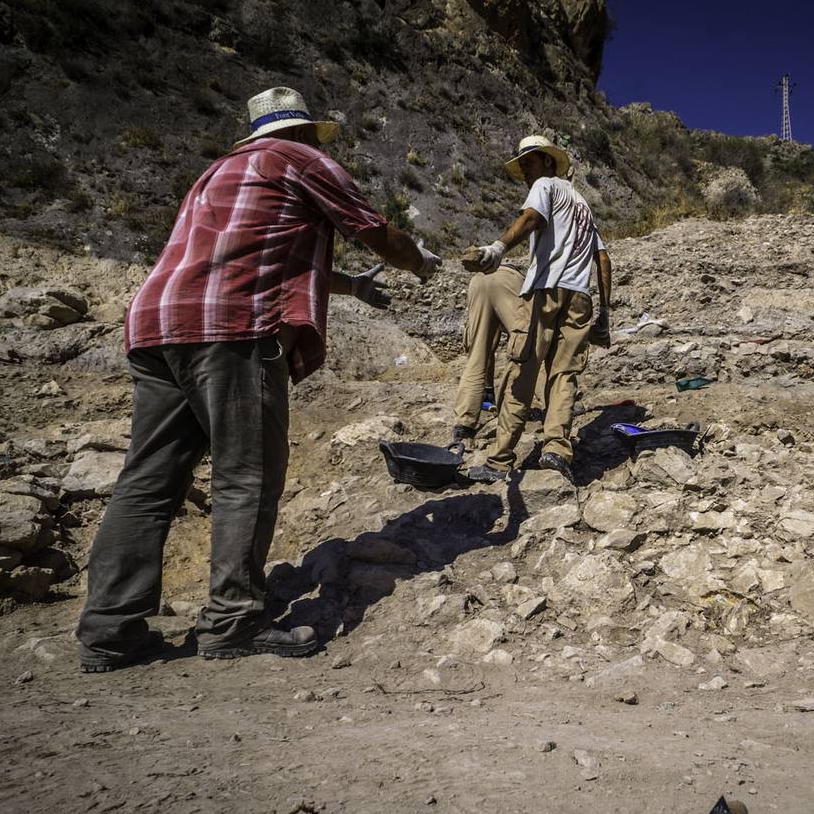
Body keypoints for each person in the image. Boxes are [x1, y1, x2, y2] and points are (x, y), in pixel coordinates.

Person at [76, 87, 441, 673]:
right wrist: (420, 261)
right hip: (232, 329)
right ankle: (234, 620)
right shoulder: (297, 159)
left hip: (157, 325)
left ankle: (109, 629)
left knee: (146, 482)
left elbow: (252, 251)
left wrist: (350, 287)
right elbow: (374, 231)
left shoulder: (216, 173)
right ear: (299, 131)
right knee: (247, 475)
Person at [464, 135, 611, 485]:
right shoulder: (582, 205)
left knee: (522, 370)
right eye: (522, 164)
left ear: (547, 161)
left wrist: (498, 248)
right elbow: (602, 257)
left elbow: (532, 218)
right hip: (579, 297)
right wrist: (605, 311)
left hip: (545, 291)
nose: (525, 170)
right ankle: (556, 450)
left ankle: (500, 460)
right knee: (564, 374)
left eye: (529, 161)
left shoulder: (545, 186)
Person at [451, 263, 544, 444]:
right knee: (530, 346)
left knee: (477, 353)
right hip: (507, 278)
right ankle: (552, 405)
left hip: (478, 280)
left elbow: (488, 348)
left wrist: (487, 389)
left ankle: (465, 423)